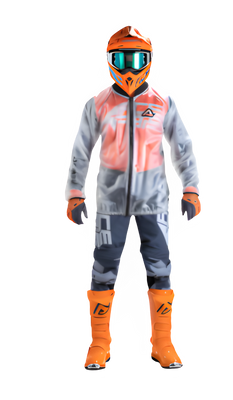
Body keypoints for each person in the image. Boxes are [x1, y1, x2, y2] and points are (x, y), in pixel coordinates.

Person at [62, 23, 204, 373]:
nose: (129, 67)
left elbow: (184, 149)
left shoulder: (164, 102)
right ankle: (98, 345)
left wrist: (191, 188)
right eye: (122, 59)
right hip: (109, 205)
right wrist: (75, 194)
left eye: (137, 59)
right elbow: (79, 153)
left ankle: (164, 344)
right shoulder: (96, 104)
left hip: (155, 204)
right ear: (108, 60)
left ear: (150, 60)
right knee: (102, 273)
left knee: (161, 272)